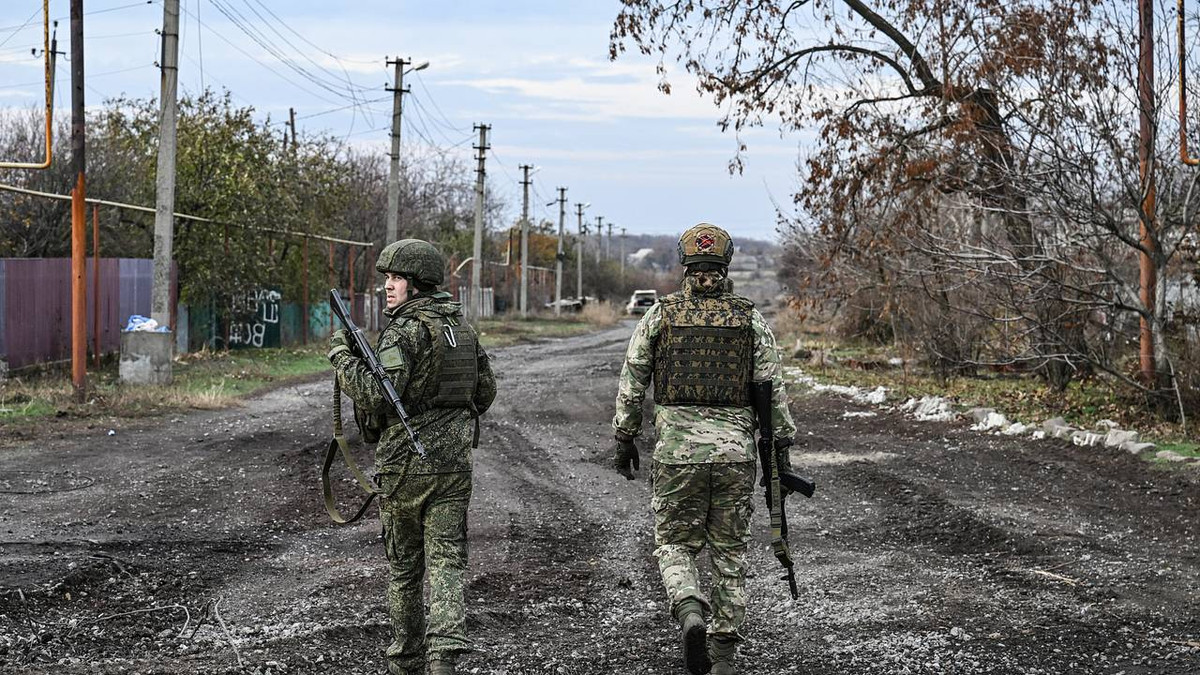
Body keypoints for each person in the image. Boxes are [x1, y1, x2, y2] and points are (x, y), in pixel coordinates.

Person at [612, 223, 797, 675]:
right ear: (725, 265)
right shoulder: (748, 317)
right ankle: (724, 657)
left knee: (675, 544)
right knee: (729, 552)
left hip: (677, 452)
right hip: (735, 454)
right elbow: (772, 388)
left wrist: (625, 435)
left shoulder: (660, 315)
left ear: (686, 266)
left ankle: (689, 607)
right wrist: (782, 447)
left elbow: (633, 378)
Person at [328, 239, 496, 675]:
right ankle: (443, 657)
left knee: (405, 567)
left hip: (406, 465)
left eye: (396, 278)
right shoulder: (462, 328)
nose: (388, 286)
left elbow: (375, 393)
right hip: (454, 464)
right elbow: (486, 392)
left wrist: (342, 358)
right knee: (446, 559)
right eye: (386, 278)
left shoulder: (404, 331)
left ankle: (405, 659)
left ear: (417, 284)